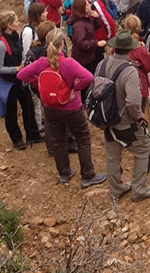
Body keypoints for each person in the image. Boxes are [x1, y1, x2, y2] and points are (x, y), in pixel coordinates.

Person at [17, 28, 108, 188]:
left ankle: (64, 173)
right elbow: (89, 77)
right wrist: (74, 88)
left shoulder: (41, 63)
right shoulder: (68, 63)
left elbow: (21, 75)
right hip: (71, 107)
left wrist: (40, 83)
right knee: (83, 139)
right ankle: (88, 175)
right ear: (62, 45)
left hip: (50, 107)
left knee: (57, 140)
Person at [100, 29, 150, 203]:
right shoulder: (130, 71)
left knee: (113, 155)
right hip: (125, 121)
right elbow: (133, 102)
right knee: (144, 148)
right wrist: (140, 117)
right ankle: (139, 188)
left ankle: (116, 189)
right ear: (129, 49)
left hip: (106, 119)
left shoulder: (102, 64)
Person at [0, 10, 43, 150]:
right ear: (8, 25)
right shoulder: (0, 45)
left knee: (28, 107)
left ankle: (33, 135)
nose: (18, 23)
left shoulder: (16, 37)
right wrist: (16, 69)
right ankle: (17, 139)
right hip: (7, 83)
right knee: (11, 112)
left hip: (20, 79)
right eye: (15, 21)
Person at [122, 15, 150, 111]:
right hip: (139, 87)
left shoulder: (119, 46)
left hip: (122, 86)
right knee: (139, 116)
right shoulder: (140, 49)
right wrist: (145, 50)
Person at [67, 0, 102, 74]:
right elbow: (81, 43)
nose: (90, 5)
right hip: (84, 60)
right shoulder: (79, 25)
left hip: (89, 56)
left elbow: (94, 28)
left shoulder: (86, 19)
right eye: (87, 5)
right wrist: (96, 43)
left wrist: (97, 18)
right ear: (82, 8)